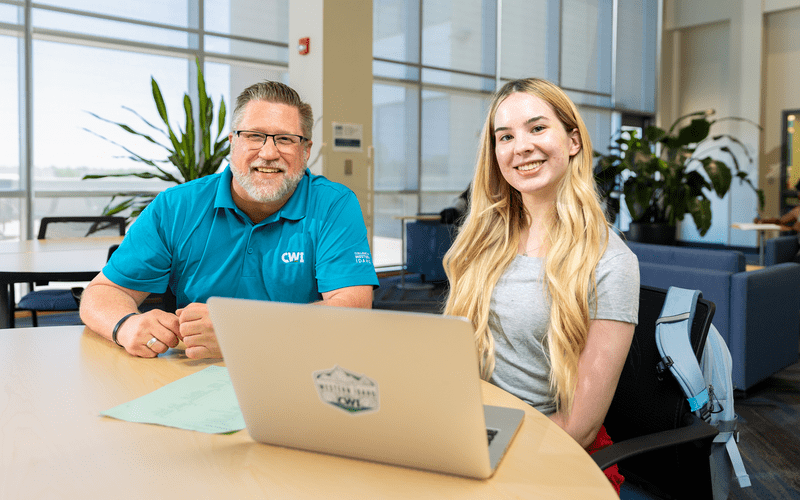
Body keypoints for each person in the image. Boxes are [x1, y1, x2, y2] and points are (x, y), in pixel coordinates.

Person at [80, 81, 379, 360]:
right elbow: (103, 292)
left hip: (296, 366)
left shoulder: (334, 205)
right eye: (254, 136)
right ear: (232, 143)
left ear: (305, 151)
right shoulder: (177, 206)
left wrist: (241, 332)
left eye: (286, 140)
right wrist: (125, 325)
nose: (269, 152)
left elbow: (351, 310)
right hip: (194, 373)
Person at [442, 78, 639, 494]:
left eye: (537, 128)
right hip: (469, 430)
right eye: (505, 137)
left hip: (545, 449)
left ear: (572, 141)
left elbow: (580, 427)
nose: (521, 147)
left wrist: (479, 453)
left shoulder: (611, 262)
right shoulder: (481, 243)